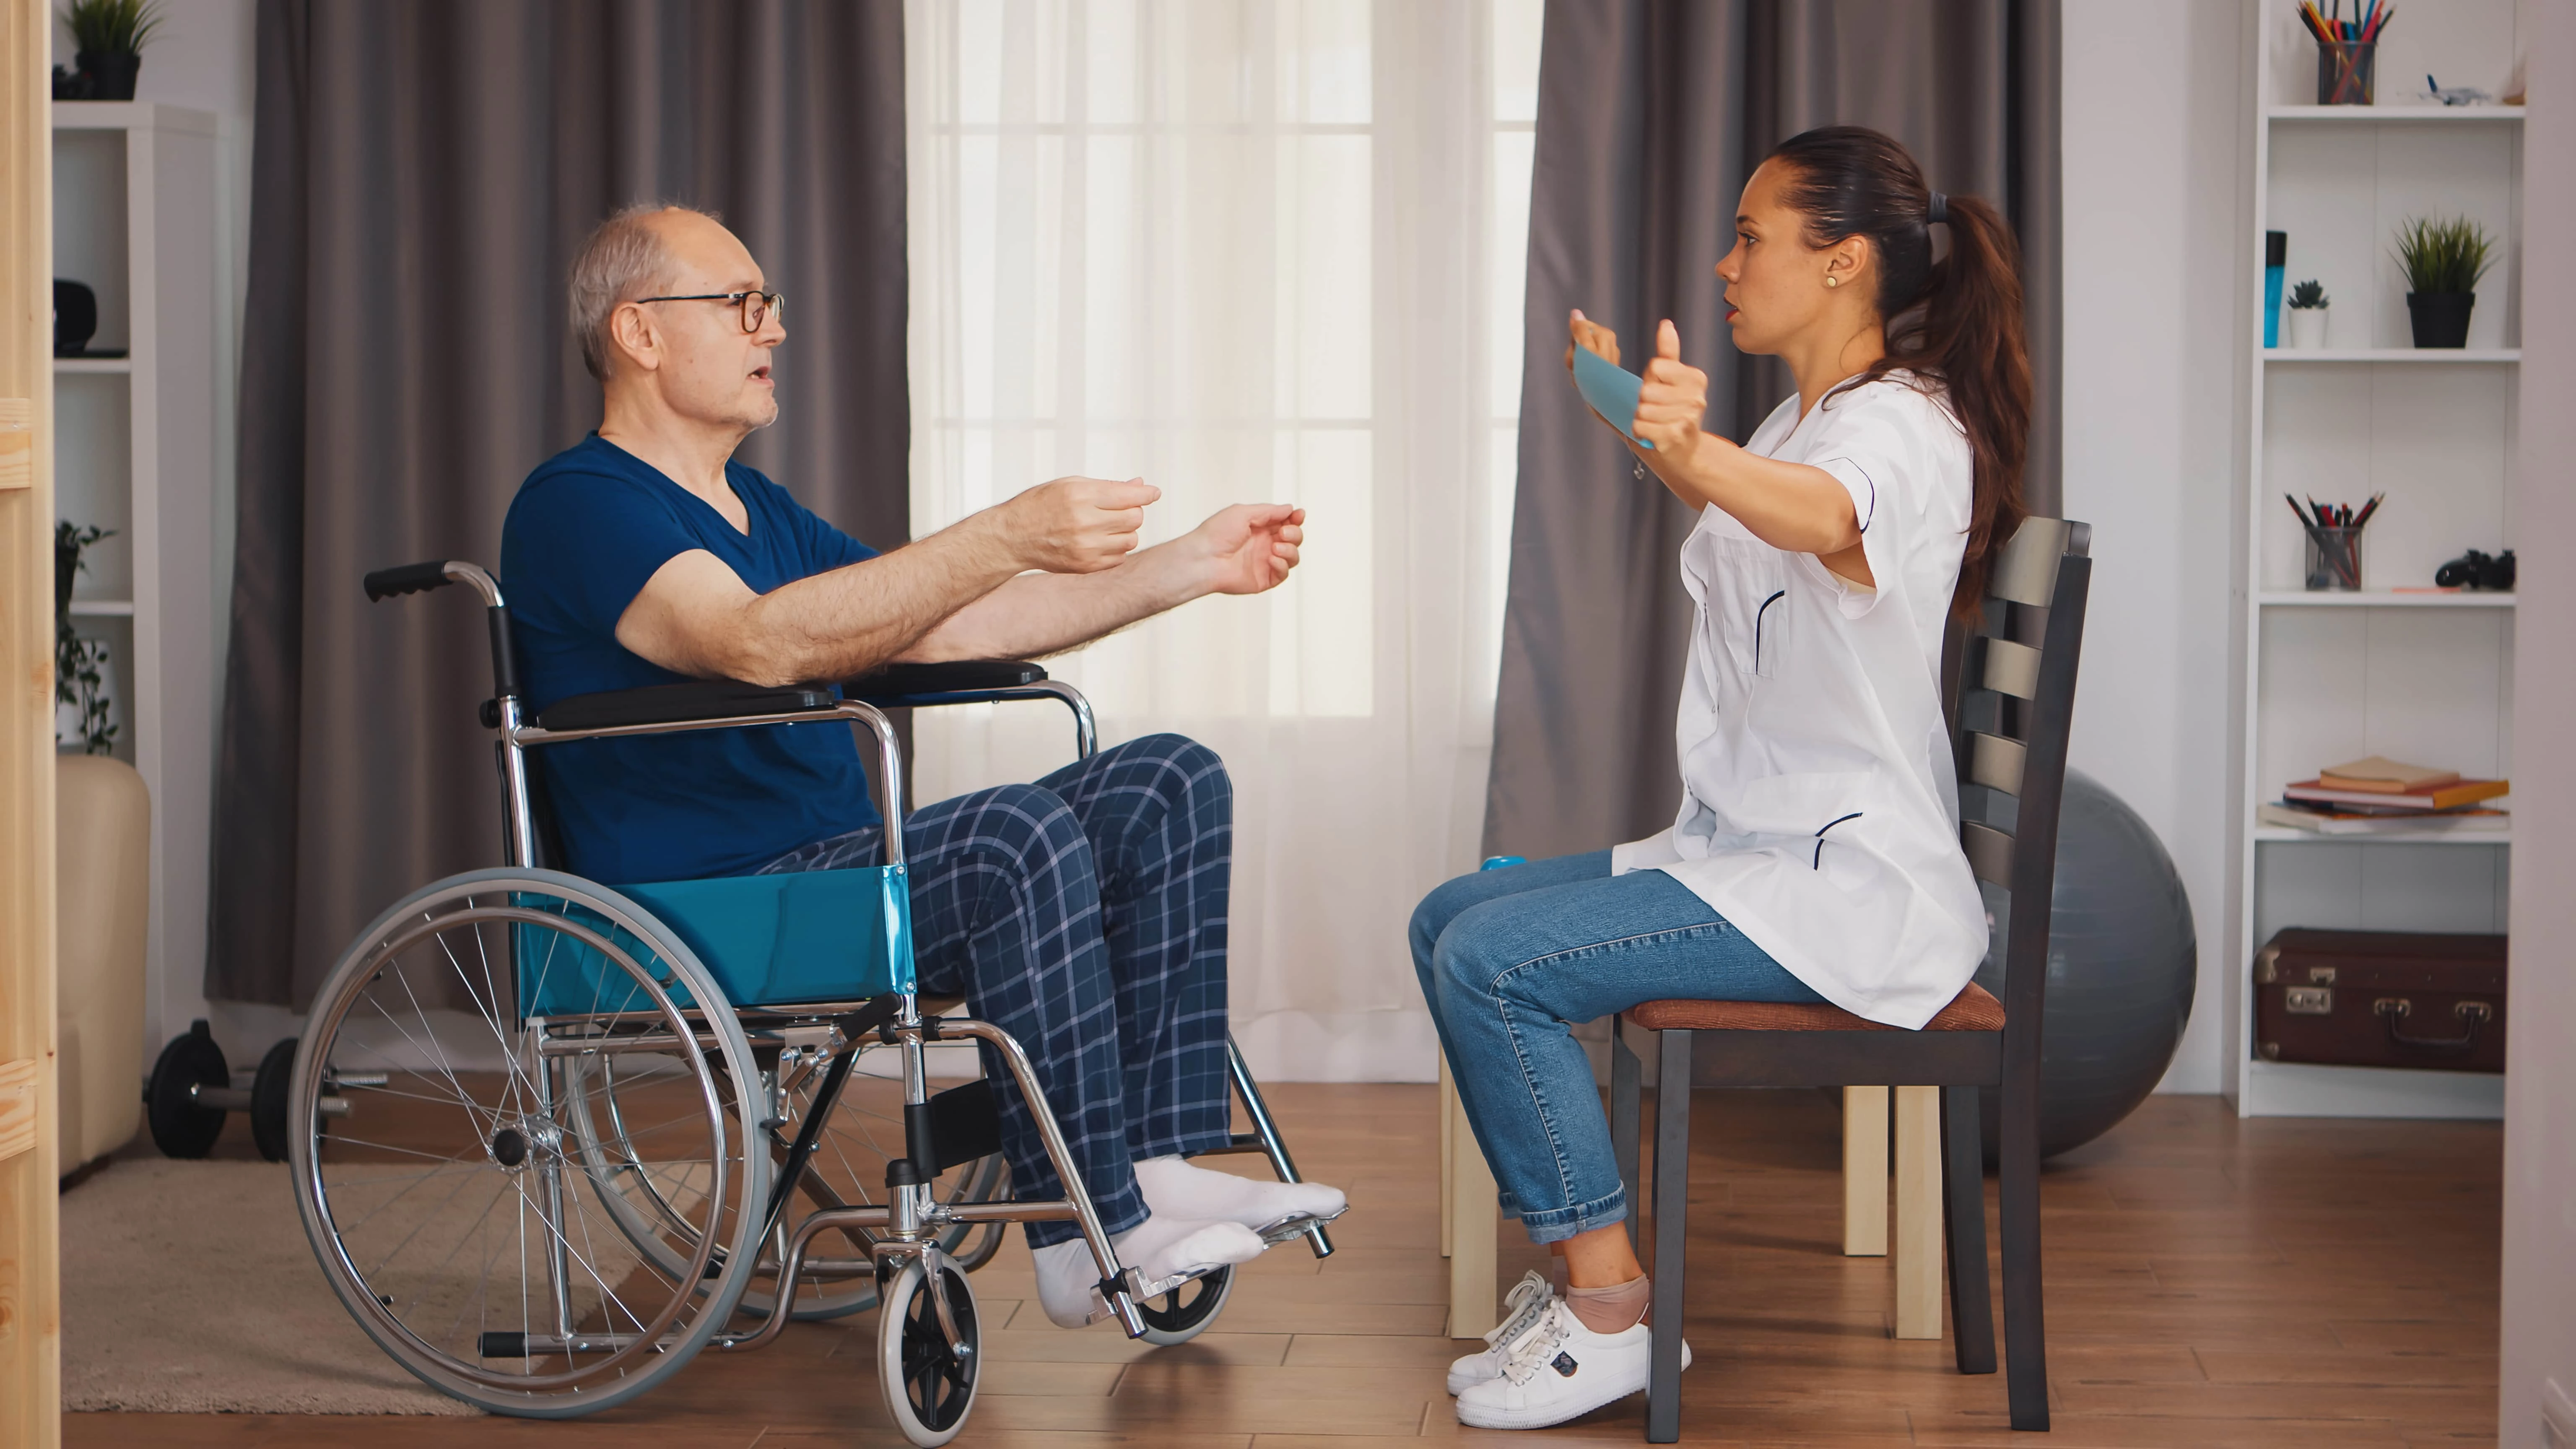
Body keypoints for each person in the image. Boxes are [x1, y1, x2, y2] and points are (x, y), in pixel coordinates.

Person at [500, 203, 1345, 1330]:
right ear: (641, 334)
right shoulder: (578, 504)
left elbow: (948, 623)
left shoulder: (757, 508)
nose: (775, 330)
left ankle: (1152, 1161)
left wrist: (1190, 564)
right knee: (1010, 834)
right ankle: (1078, 1227)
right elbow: (759, 639)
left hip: (833, 868)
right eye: (745, 305)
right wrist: (1001, 529)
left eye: (773, 306)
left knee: (1168, 782)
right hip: (710, 905)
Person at [1416, 126, 2031, 1429]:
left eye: (1754, 236)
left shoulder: (1907, 431)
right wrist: (1639, 421)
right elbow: (1769, 498)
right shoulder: (1800, 418)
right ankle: (1585, 1282)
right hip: (1757, 850)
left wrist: (1688, 453)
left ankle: (1610, 1308)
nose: (1726, 260)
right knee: (1447, 918)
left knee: (1494, 964)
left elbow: (1819, 516)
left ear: (1845, 259)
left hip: (1847, 886)